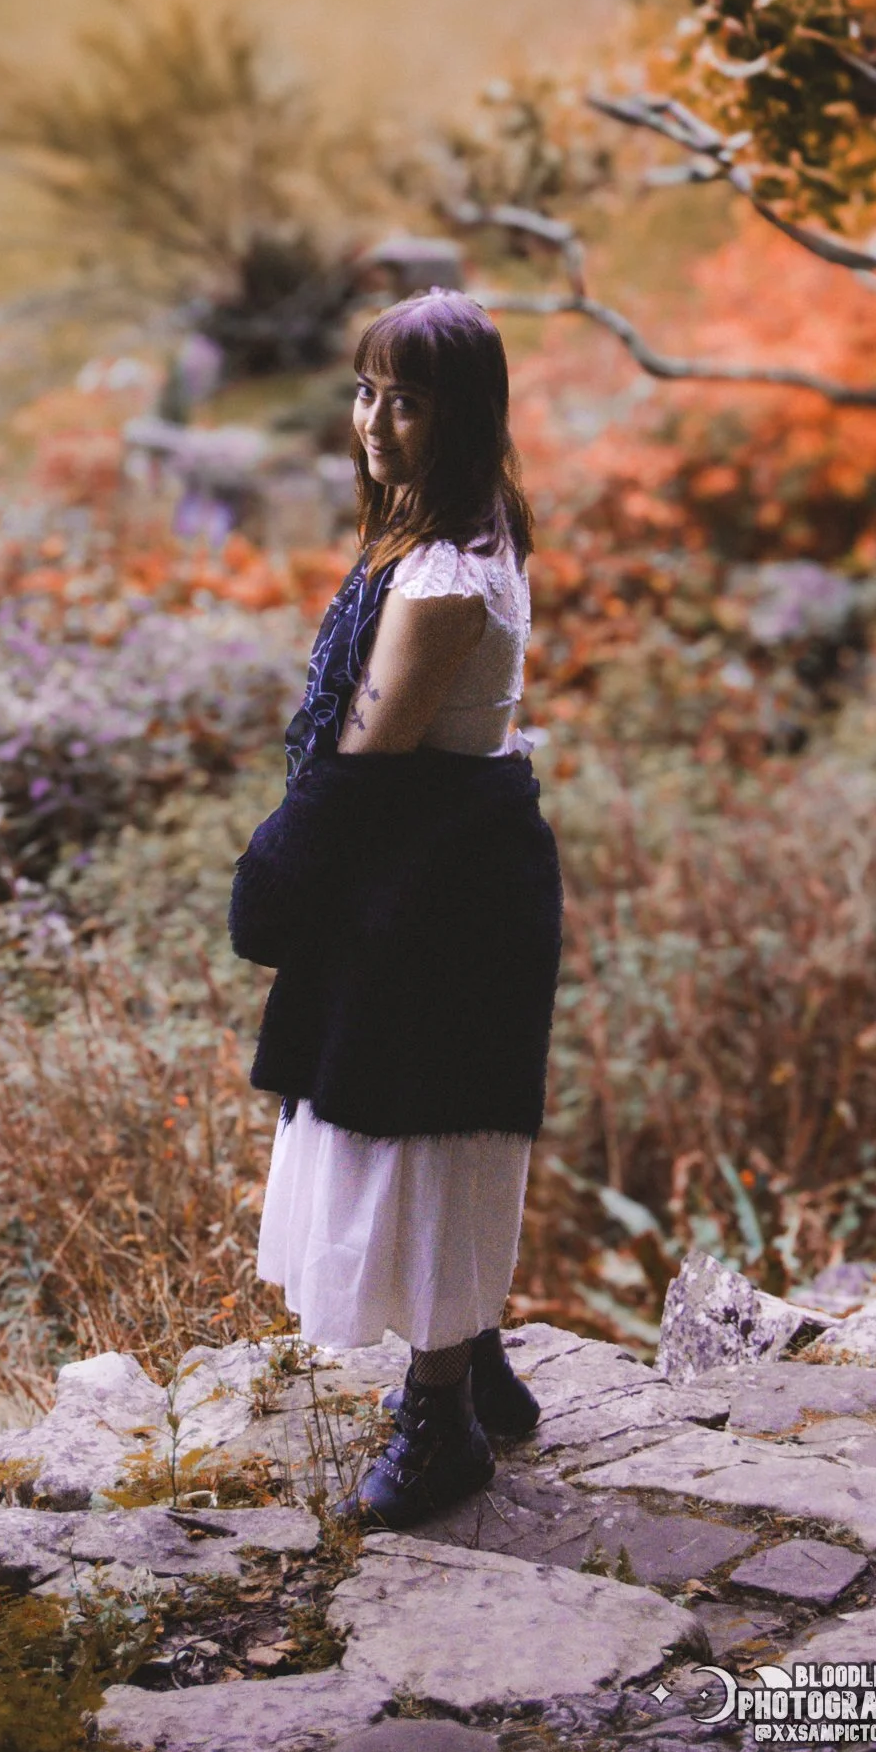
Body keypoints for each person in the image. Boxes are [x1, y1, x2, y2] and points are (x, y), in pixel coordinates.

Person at [228, 289, 564, 1528]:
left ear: (461, 414)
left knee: (428, 1132)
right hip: (432, 872)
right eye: (367, 389)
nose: (375, 418)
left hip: (447, 889)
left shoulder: (447, 578)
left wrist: (273, 873)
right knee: (417, 1120)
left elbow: (369, 752)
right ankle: (467, 1359)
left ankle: (441, 1428)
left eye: (407, 399)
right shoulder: (446, 531)